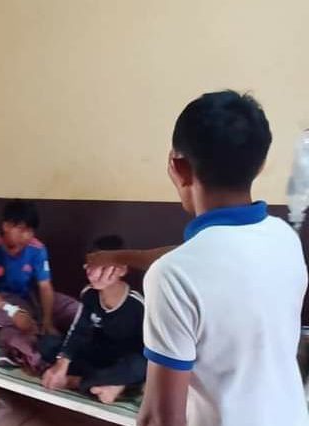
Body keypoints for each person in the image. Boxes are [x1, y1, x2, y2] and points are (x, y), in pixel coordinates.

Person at [94, 91, 309, 426]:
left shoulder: (173, 276)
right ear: (260, 164)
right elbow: (207, 261)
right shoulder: (284, 238)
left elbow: (160, 419)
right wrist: (118, 256)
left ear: (178, 167)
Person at [0, 200, 80, 372]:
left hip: (29, 295)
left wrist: (47, 320)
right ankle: (36, 353)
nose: (27, 236)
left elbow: (45, 287)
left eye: (31, 230)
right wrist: (12, 311)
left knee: (74, 308)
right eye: (22, 229)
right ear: (6, 226)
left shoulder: (37, 249)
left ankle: (86, 341)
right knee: (24, 320)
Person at [42, 236, 146, 404]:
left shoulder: (137, 304)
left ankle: (79, 382)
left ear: (121, 270)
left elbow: (149, 349)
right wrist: (62, 364)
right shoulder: (89, 294)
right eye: (90, 265)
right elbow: (78, 331)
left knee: (138, 367)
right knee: (48, 344)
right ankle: (106, 384)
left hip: (125, 359)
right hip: (97, 354)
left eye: (103, 267)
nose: (94, 273)